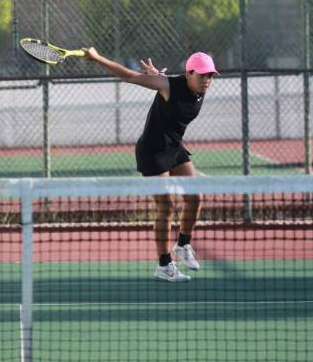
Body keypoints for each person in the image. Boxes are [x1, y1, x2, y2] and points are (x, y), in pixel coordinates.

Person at [82, 48, 218, 282]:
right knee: (166, 207)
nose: (207, 80)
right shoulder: (169, 86)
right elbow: (129, 76)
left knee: (195, 197)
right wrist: (96, 58)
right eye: (202, 75)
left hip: (174, 148)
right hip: (152, 152)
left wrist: (157, 75)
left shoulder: (196, 89)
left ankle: (183, 245)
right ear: (189, 73)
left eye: (210, 75)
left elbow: (169, 83)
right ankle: (164, 265)